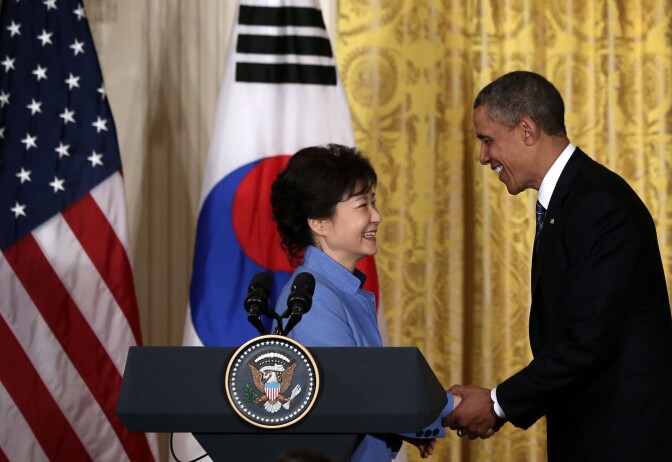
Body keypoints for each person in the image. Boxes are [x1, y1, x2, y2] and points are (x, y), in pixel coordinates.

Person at [443, 71, 672, 461]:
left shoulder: (597, 205)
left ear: (527, 130)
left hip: (623, 439)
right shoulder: (572, 198)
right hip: (595, 430)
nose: (483, 157)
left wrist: (498, 403)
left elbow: (590, 341)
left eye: (487, 140)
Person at [271, 144, 460, 461]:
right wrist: (450, 407)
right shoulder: (312, 299)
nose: (377, 216)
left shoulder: (339, 290)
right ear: (318, 222)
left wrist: (402, 426)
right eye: (362, 206)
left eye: (374, 203)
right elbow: (356, 393)